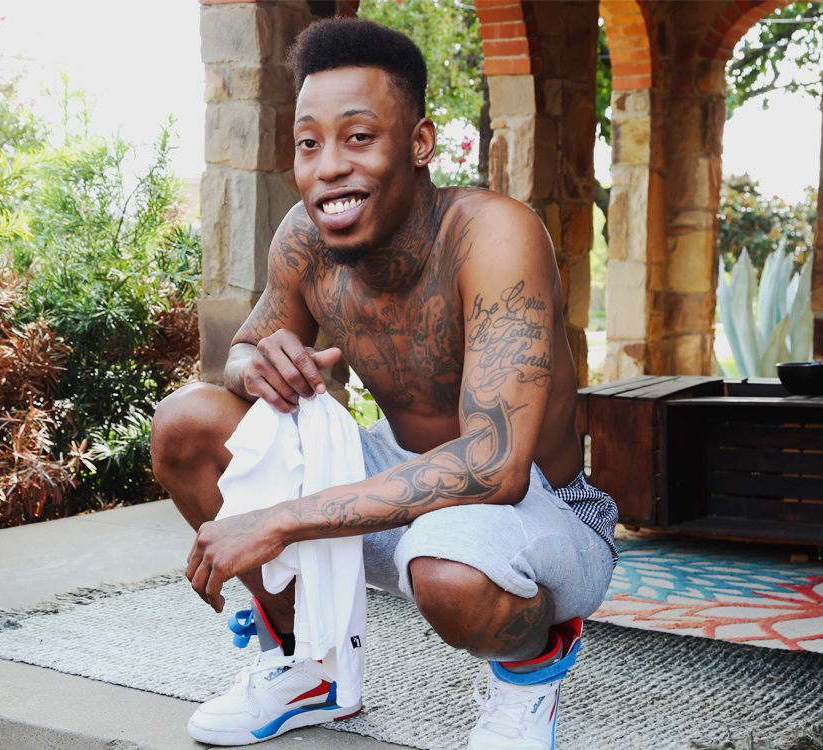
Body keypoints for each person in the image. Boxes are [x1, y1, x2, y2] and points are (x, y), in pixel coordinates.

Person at [152, 16, 617, 750]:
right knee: (187, 423)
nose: (329, 166)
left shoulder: (492, 235)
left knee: (448, 572)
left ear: (420, 143)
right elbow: (239, 351)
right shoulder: (304, 240)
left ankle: (531, 668)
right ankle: (310, 665)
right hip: (394, 476)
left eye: (359, 137)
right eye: (309, 143)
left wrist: (279, 520)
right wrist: (255, 364)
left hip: (536, 508)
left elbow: (495, 464)